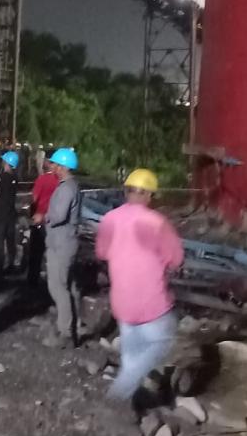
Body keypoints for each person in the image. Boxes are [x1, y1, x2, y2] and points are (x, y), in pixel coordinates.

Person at [96, 169, 183, 405]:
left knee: (132, 355)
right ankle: (118, 396)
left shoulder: (109, 219)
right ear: (148, 195)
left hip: (122, 301)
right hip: (151, 303)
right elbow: (176, 259)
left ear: (127, 192)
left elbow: (102, 252)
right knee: (163, 340)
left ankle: (131, 402)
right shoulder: (157, 222)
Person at [45, 146, 83, 347]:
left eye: (55, 163)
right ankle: (72, 328)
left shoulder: (67, 188)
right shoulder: (70, 186)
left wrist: (45, 217)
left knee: (58, 287)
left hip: (62, 244)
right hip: (65, 242)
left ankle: (65, 332)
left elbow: (59, 216)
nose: (52, 166)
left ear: (62, 166)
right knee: (68, 286)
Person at [28, 155, 58, 288]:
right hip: (54, 220)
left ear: (48, 163)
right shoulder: (60, 181)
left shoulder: (42, 179)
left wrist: (31, 214)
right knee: (52, 254)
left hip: (40, 219)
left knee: (36, 253)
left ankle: (32, 281)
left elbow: (34, 199)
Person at [0, 148, 19, 275]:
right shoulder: (15, 178)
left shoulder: (1, 177)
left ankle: (0, 265)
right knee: (10, 240)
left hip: (0, 214)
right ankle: (11, 263)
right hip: (11, 213)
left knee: (0, 241)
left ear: (6, 163)